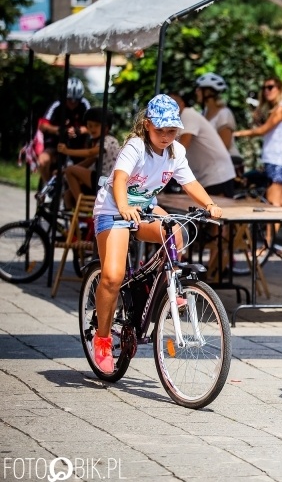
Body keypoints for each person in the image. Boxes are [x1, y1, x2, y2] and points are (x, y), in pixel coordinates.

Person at [91, 95, 223, 374]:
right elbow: (120, 179)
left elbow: (190, 183)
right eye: (160, 129)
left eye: (171, 130)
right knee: (112, 277)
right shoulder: (136, 146)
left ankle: (168, 285)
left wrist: (209, 204)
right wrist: (124, 206)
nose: (165, 136)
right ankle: (102, 339)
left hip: (144, 209)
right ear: (147, 125)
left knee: (175, 232)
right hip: (113, 209)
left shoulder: (176, 152)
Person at [235, 77, 282, 210]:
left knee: (273, 204)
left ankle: (273, 226)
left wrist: (239, 133)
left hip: (278, 161)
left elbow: (263, 130)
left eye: (270, 87)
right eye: (264, 88)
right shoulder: (280, 108)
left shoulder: (281, 109)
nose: (266, 91)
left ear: (280, 89)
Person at [170, 92, 237, 197]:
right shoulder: (174, 124)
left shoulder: (187, 114)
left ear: (182, 104)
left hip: (218, 176)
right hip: (206, 177)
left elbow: (182, 146)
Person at [57, 107, 120, 209]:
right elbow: (88, 162)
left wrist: (66, 151)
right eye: (90, 125)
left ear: (106, 128)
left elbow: (90, 153)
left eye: (96, 126)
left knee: (70, 170)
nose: (92, 129)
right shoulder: (97, 142)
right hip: (99, 179)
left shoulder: (109, 140)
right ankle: (76, 217)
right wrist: (63, 171)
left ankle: (81, 205)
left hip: (106, 180)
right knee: (68, 194)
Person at [38, 77, 92, 183]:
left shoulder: (84, 104)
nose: (73, 103)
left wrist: (79, 130)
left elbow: (93, 126)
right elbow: (43, 125)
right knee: (43, 161)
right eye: (69, 99)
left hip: (77, 146)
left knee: (90, 165)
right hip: (56, 144)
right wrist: (59, 130)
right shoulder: (57, 105)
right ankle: (47, 185)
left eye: (76, 100)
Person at [195, 73, 242, 170]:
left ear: (207, 92)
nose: (196, 91)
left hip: (228, 164)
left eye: (199, 89)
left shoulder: (224, 114)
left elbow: (224, 145)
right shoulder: (202, 114)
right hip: (209, 164)